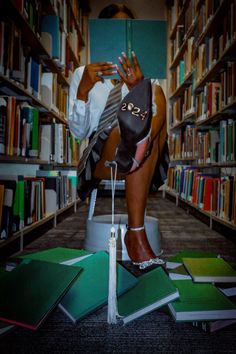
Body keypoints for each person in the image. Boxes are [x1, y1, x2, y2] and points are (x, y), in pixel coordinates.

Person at [68, 3, 168, 268]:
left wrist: (139, 91)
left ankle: (135, 236)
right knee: (132, 128)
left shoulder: (143, 78)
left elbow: (160, 122)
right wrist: (82, 92)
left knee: (155, 95)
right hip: (101, 158)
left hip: (141, 153)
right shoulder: (83, 74)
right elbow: (78, 134)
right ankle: (135, 236)